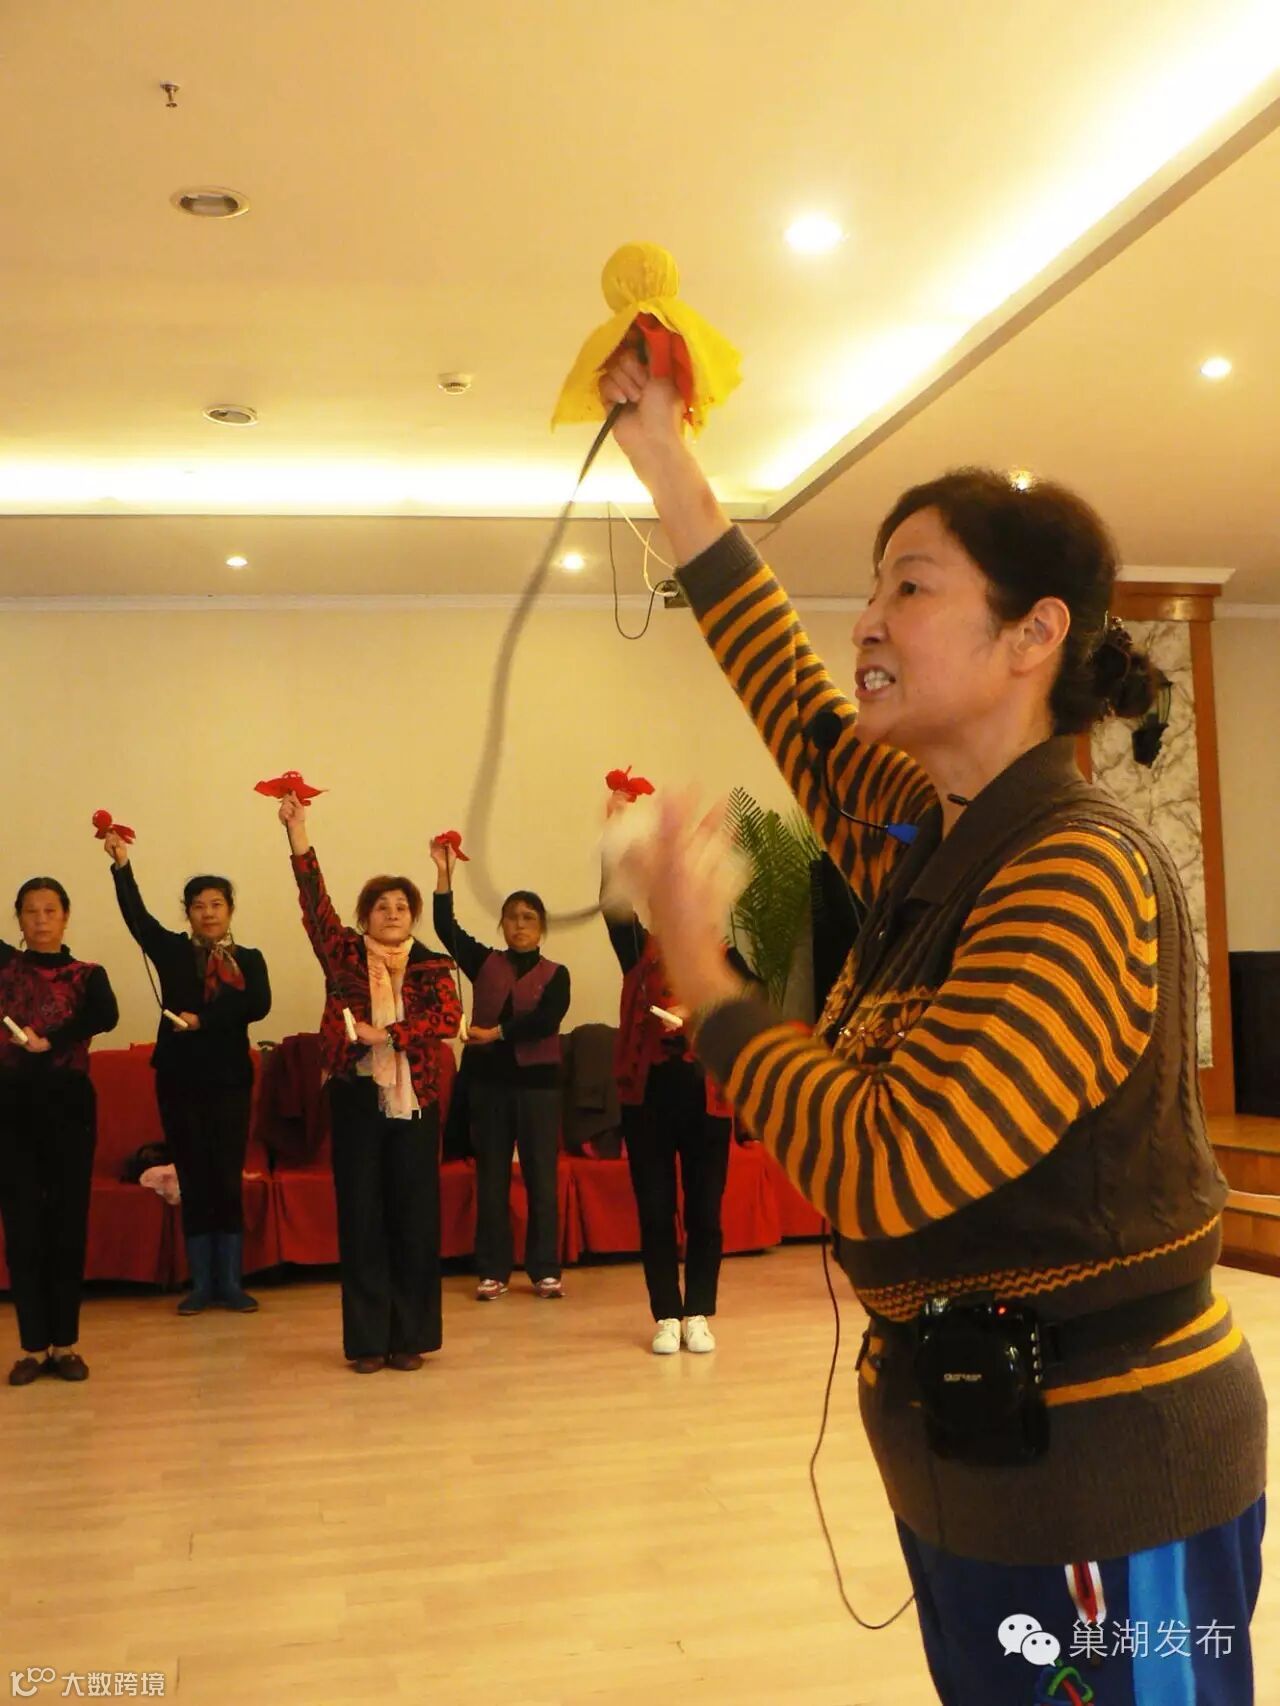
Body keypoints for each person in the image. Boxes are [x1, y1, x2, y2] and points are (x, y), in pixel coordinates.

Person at [598, 349, 1267, 1705]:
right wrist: (663, 453)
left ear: (1032, 634)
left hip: (1106, 1478)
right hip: (978, 1455)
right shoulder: (929, 837)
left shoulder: (1072, 866)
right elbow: (781, 683)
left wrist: (703, 974)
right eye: (872, 587)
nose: (865, 619)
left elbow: (889, 1163)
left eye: (909, 586)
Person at [280, 793, 460, 1372]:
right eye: (381, 906)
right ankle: (365, 1342)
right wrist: (298, 832)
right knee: (361, 1217)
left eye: (401, 906)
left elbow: (449, 1019)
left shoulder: (431, 963)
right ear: (365, 917)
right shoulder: (343, 955)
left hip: (415, 1101)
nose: (392, 913)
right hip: (357, 1095)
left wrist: (393, 1034)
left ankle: (409, 1338)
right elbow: (314, 904)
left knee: (414, 1219)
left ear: (413, 916)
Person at [602, 787, 752, 1355]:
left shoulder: (726, 958)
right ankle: (666, 1312)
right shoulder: (638, 949)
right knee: (655, 1210)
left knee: (706, 1212)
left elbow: (744, 1013)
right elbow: (611, 907)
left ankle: (700, 1312)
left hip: (706, 1099)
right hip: (648, 1099)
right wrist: (615, 834)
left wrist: (701, 1012)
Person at [105, 833, 271, 1315]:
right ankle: (201, 1285)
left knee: (225, 1178)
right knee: (194, 1178)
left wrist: (205, 1020)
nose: (208, 913)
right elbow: (137, 917)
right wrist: (121, 866)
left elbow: (257, 1005)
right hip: (179, 1079)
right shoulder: (173, 951)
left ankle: (231, 1283)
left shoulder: (249, 960)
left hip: (230, 1080)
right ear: (188, 913)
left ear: (230, 910)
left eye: (216, 904)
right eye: (198, 906)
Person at [430, 838, 570, 1301]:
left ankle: (545, 1270)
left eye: (528, 917)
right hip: (489, 1088)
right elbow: (445, 928)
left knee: (541, 1178)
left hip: (539, 1089)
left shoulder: (557, 974)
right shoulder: (484, 962)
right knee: (490, 1179)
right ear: (502, 924)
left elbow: (546, 1021)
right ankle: (492, 1270)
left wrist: (497, 1034)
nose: (520, 925)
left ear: (541, 926)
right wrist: (444, 874)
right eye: (512, 917)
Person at [0, 878, 118, 1384]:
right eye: (31, 911)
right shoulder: (5, 967)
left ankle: (65, 1344)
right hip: (11, 1107)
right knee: (22, 1226)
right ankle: (32, 1347)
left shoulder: (88, 974)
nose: (41, 919)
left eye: (50, 910)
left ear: (66, 917)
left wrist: (51, 1038)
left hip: (69, 1106)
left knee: (68, 1224)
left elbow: (106, 1015)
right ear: (19, 919)